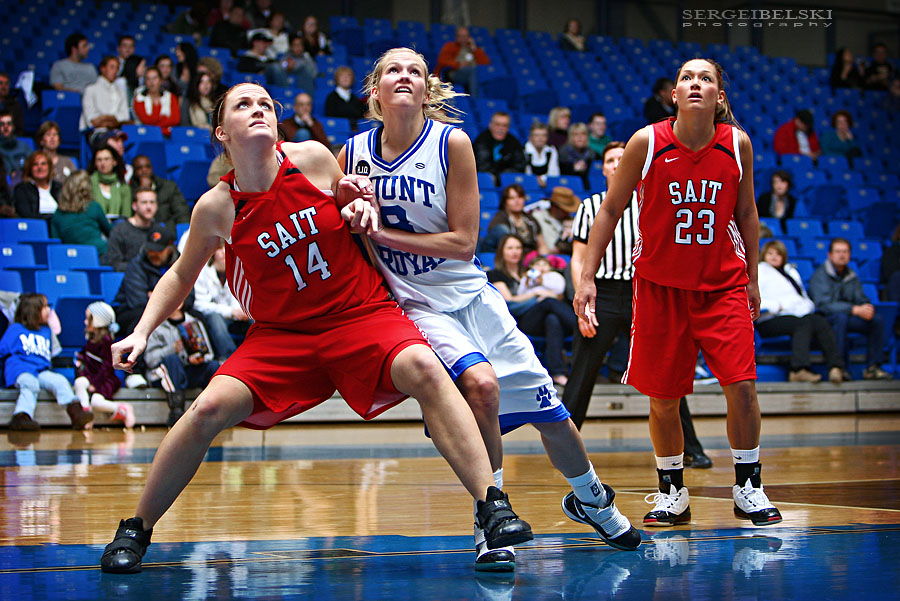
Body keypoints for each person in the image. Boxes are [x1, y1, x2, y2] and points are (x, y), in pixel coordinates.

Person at [99, 81, 533, 574]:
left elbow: (358, 204)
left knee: (426, 369)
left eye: (266, 103)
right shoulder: (216, 207)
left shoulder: (314, 159)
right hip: (282, 336)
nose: (259, 109)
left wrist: (359, 204)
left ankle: (490, 504)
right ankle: (135, 529)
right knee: (206, 410)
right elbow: (180, 275)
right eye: (244, 104)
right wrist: (140, 331)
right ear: (223, 132)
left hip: (359, 313)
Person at [340, 47, 639, 571]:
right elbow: (347, 229)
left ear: (428, 88)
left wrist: (379, 230)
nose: (404, 76)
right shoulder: (352, 154)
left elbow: (462, 241)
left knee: (552, 414)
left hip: (473, 295)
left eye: (415, 70)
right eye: (393, 69)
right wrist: (353, 212)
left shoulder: (451, 143)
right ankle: (490, 520)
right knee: (481, 388)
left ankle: (591, 498)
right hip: (415, 304)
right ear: (375, 90)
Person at [573, 58, 783, 528]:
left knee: (743, 387)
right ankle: (672, 491)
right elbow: (608, 211)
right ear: (674, 94)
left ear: (719, 97)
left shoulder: (737, 144)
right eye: (686, 77)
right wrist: (586, 277)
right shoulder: (646, 142)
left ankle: (748, 485)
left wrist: (752, 276)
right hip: (659, 288)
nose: (694, 84)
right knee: (663, 398)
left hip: (722, 285)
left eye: (705, 78)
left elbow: (747, 214)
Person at [562, 142, 711, 469]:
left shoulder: (653, 202)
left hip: (646, 292)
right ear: (602, 168)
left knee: (665, 374)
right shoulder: (590, 206)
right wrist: (582, 297)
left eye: (621, 159)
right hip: (603, 292)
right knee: (582, 373)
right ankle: (564, 446)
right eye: (610, 160)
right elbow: (577, 258)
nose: (616, 164)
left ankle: (692, 447)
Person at [488, 234, 577, 385]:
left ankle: (557, 372)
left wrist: (549, 293)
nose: (514, 251)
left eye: (518, 248)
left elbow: (557, 293)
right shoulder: (496, 274)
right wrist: (536, 294)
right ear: (502, 251)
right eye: (510, 248)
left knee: (553, 320)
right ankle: (579, 327)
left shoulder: (530, 272)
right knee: (548, 302)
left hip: (541, 317)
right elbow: (509, 301)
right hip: (518, 320)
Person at [0, 293, 93, 431]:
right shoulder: (15, 329)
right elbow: (2, 350)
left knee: (59, 380)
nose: (49, 310)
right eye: (44, 307)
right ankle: (21, 417)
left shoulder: (46, 331)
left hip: (41, 371)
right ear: (33, 310)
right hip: (20, 369)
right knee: (31, 384)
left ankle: (76, 413)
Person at [757, 240, 844, 384]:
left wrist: (805, 306)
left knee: (818, 320)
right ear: (763, 255)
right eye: (770, 253)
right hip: (769, 318)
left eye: (778, 254)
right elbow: (753, 298)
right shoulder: (759, 270)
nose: (774, 257)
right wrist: (778, 305)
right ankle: (798, 370)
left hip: (795, 315)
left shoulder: (790, 271)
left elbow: (801, 296)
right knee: (801, 324)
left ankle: (836, 367)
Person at [809, 238, 892, 380]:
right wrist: (853, 309)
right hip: (825, 319)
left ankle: (873, 368)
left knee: (876, 320)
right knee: (841, 318)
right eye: (838, 251)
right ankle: (840, 368)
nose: (842, 255)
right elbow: (823, 305)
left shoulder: (851, 275)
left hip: (847, 316)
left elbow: (860, 297)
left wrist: (866, 306)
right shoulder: (820, 275)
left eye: (845, 252)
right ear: (830, 255)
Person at [143, 297, 220, 426]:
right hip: (162, 375)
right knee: (173, 360)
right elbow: (150, 360)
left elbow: (209, 354)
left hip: (188, 370)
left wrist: (198, 359)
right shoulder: (155, 324)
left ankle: (214, 411)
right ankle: (177, 411)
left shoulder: (194, 322)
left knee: (213, 366)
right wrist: (171, 349)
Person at [74, 302, 136, 428]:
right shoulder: (90, 340)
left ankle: (123, 409)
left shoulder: (107, 342)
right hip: (92, 377)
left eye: (88, 319)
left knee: (96, 401)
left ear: (98, 321)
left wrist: (94, 384)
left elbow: (106, 368)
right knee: (79, 382)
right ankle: (86, 414)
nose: (85, 322)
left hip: (105, 380)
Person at [114, 229, 181, 338]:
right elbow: (138, 301)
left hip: (171, 309)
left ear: (169, 249)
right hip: (132, 311)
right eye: (150, 249)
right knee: (141, 319)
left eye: (158, 250)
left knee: (198, 316)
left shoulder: (180, 263)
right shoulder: (137, 265)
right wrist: (168, 302)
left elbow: (189, 295)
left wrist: (181, 303)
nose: (153, 253)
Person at [192, 240, 249, 361]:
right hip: (215, 320)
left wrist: (240, 311)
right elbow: (200, 305)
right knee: (215, 318)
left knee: (254, 314)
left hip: (237, 317)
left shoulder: (238, 268)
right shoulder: (202, 273)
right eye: (219, 249)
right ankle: (230, 358)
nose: (223, 252)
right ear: (213, 253)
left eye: (226, 248)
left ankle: (259, 352)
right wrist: (231, 311)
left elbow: (240, 294)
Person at [104, 186, 167, 271]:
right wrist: (141, 268)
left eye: (152, 202)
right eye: (144, 202)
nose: (149, 207)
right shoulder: (120, 230)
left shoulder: (160, 230)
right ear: (134, 206)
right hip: (129, 279)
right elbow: (114, 262)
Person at [50, 170, 112, 256]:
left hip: (72, 257)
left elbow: (55, 242)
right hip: (98, 254)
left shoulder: (58, 213)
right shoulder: (93, 207)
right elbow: (110, 232)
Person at [482, 183, 549, 255]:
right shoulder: (499, 219)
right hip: (507, 257)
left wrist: (543, 259)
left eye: (520, 197)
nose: (517, 201)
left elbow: (542, 245)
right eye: (512, 198)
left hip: (530, 258)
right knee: (501, 229)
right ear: (505, 202)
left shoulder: (531, 220)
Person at [130, 155, 191, 230]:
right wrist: (142, 190)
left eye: (147, 167)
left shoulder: (169, 187)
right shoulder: (129, 190)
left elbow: (182, 212)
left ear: (152, 168)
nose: (144, 170)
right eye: (139, 168)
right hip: (139, 232)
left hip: (167, 231)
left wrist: (181, 233)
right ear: (134, 171)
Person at [80, 56, 131, 134]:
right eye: (112, 67)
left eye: (117, 68)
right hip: (94, 132)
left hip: (116, 130)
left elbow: (125, 116)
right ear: (103, 69)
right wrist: (113, 120)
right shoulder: (90, 89)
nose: (115, 71)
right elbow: (91, 119)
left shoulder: (121, 92)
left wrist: (105, 118)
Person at [434, 26, 490, 96]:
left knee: (477, 73)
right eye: (460, 36)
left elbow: (485, 63)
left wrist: (474, 49)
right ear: (456, 37)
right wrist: (458, 64)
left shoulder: (473, 49)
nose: (463, 39)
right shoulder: (450, 46)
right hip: (454, 73)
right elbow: (442, 61)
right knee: (472, 71)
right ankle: (475, 99)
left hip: (471, 73)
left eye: (465, 36)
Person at [473, 112, 526, 185]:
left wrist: (502, 177)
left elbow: (520, 165)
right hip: (485, 181)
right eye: (497, 124)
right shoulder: (481, 140)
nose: (501, 128)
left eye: (505, 126)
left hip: (508, 182)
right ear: (490, 125)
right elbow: (482, 165)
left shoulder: (514, 142)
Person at [132, 67, 181, 137]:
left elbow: (176, 119)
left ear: (160, 80)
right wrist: (164, 119)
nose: (151, 82)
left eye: (155, 78)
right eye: (148, 79)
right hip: (146, 135)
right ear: (145, 81)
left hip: (168, 136)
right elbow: (146, 121)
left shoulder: (170, 97)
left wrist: (155, 124)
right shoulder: (139, 99)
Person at [13, 151, 62, 219]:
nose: (40, 167)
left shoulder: (60, 188)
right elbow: (26, 215)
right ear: (30, 168)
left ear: (49, 167)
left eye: (43, 164)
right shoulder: (22, 189)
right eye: (35, 164)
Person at [529, 186, 578, 255]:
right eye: (564, 210)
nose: (567, 213)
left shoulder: (571, 221)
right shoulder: (538, 218)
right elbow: (545, 250)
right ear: (554, 206)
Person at [89, 145, 132, 218]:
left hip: (119, 227)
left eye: (106, 159)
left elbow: (126, 215)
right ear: (95, 163)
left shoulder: (123, 186)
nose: (103, 163)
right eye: (99, 160)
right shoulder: (88, 184)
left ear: (114, 162)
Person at [559, 122, 597, 188]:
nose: (580, 137)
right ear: (571, 137)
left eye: (583, 134)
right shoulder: (563, 152)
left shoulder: (592, 154)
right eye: (576, 134)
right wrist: (573, 168)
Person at [523, 122, 559, 188]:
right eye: (536, 135)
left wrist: (542, 179)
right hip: (529, 186)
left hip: (548, 185)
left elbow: (554, 173)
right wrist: (536, 180)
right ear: (530, 137)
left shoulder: (551, 150)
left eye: (543, 135)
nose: (540, 139)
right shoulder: (524, 151)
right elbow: (527, 174)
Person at [0, 110, 30, 181]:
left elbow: (33, 165)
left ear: (13, 126)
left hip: (23, 182)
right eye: (2, 124)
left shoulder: (23, 146)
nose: (6, 127)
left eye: (9, 123)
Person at [0, 71, 25, 136]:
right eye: (1, 83)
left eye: (6, 84)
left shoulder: (16, 106)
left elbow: (19, 130)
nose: (4, 86)